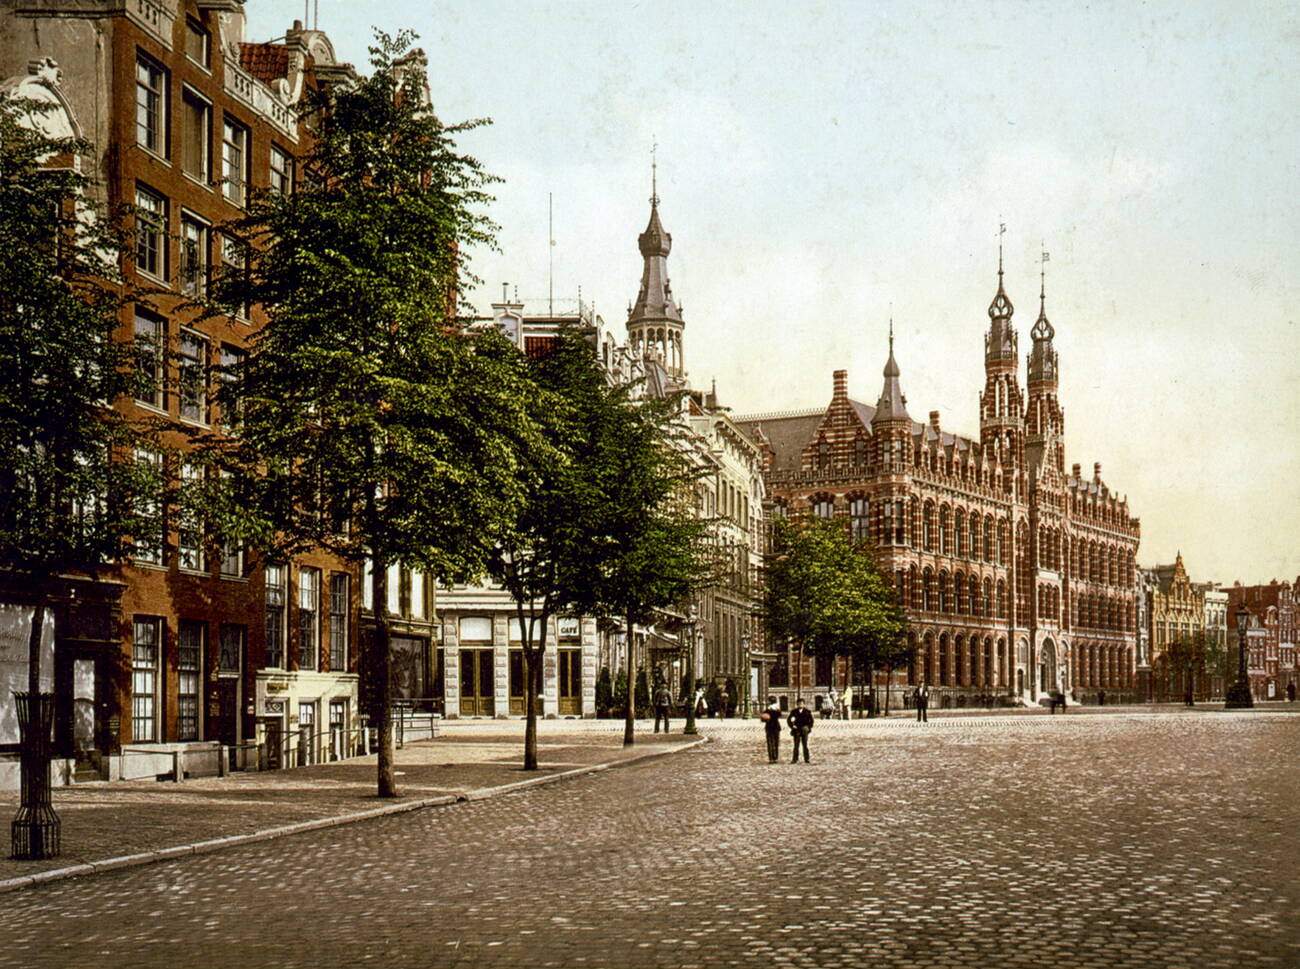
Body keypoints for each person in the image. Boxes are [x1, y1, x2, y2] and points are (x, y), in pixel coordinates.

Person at [787, 697, 814, 763]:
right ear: (797, 704)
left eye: (802, 704)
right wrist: (792, 726)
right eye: (799, 704)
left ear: (804, 704)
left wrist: (808, 728)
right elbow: (789, 720)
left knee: (805, 745)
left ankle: (806, 759)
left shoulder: (807, 712)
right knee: (796, 745)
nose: (800, 705)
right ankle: (795, 759)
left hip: (804, 730)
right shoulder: (794, 712)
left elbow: (811, 721)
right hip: (796, 730)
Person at [761, 696, 783, 763]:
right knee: (773, 743)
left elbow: (779, 715)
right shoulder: (769, 709)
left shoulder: (773, 709)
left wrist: (773, 710)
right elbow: (763, 718)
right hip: (772, 727)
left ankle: (773, 758)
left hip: (773, 727)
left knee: (773, 743)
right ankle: (773, 758)